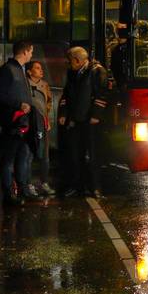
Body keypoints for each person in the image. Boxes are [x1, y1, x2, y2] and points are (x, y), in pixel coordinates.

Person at [0, 41, 38, 204]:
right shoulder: (7, 70)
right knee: (8, 158)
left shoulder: (20, 70)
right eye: (31, 51)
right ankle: (8, 194)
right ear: (24, 52)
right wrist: (19, 104)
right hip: (12, 122)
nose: (31, 55)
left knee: (22, 156)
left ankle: (22, 189)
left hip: (23, 122)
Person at [58, 46, 109, 198]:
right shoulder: (72, 72)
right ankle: (76, 186)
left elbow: (102, 94)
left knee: (93, 155)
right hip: (76, 120)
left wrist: (96, 115)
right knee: (75, 154)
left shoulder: (97, 71)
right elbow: (66, 94)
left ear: (77, 60)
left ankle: (95, 187)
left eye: (69, 61)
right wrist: (64, 113)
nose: (68, 65)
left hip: (90, 121)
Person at [25, 61, 56, 196]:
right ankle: (28, 184)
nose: (41, 70)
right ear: (29, 71)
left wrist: (46, 118)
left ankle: (44, 183)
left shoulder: (44, 85)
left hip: (42, 124)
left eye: (41, 68)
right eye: (37, 68)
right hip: (30, 124)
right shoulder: (25, 85)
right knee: (29, 156)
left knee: (45, 155)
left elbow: (48, 103)